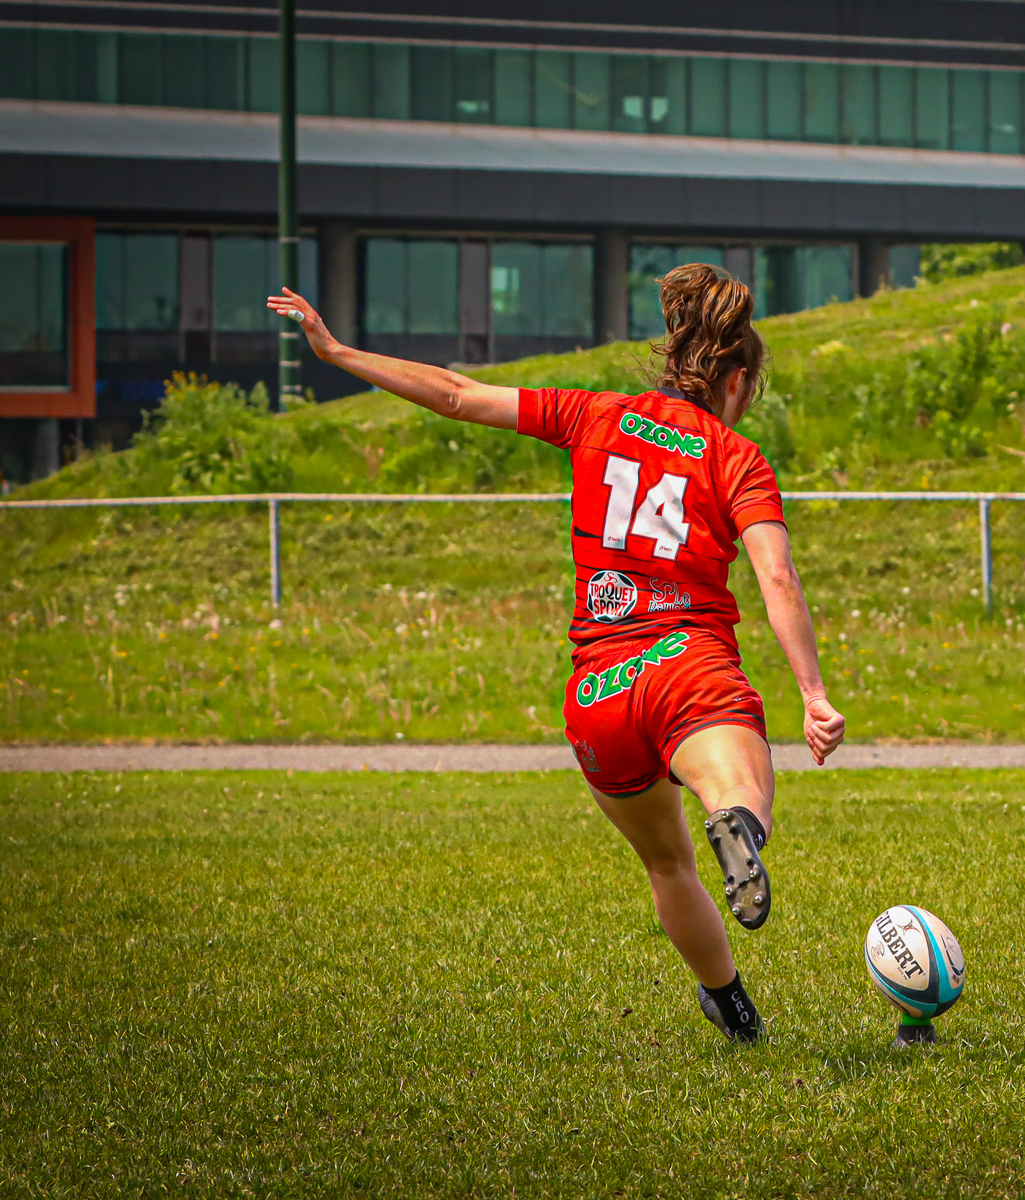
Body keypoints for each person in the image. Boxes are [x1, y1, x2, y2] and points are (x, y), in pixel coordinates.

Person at [268, 263, 844, 1043]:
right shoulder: (736, 459)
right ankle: (738, 818)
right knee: (734, 788)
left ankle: (733, 1006)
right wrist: (812, 693)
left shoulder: (593, 414)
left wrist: (337, 353)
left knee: (668, 865)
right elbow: (775, 573)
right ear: (736, 381)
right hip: (687, 665)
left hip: (600, 693)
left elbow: (454, 392)